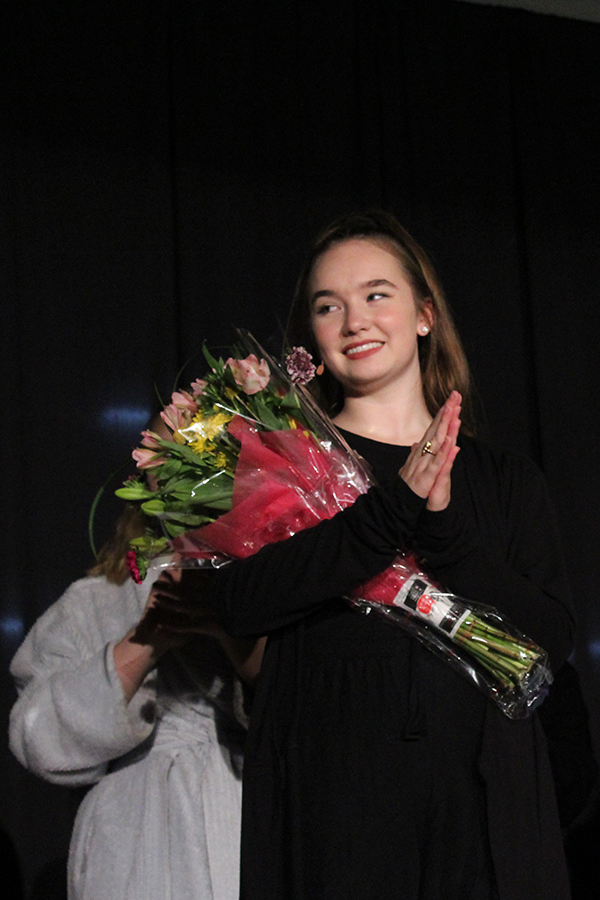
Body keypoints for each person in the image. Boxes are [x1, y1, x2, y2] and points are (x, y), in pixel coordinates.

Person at [172, 210, 574, 900]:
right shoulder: (279, 468)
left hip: (480, 814)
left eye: (377, 295)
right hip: (335, 813)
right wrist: (388, 513)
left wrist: (442, 526)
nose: (355, 320)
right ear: (313, 336)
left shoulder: (505, 480)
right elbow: (239, 601)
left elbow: (551, 640)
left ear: (424, 315)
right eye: (330, 306)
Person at [9, 501, 264, 900]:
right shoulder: (91, 603)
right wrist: (146, 638)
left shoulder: (273, 588)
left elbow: (319, 721)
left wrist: (231, 625)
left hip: (246, 812)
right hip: (132, 836)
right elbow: (39, 738)